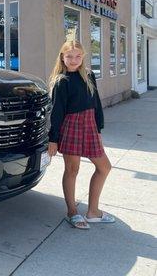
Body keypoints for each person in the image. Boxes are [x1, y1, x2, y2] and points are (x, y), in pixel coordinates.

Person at [48, 40, 115, 230]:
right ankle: (72, 212)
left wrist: (98, 129)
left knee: (104, 167)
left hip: (90, 125)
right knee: (72, 170)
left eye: (78, 56)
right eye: (69, 56)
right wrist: (53, 138)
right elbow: (57, 111)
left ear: (83, 57)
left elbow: (97, 104)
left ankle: (93, 212)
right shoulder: (61, 81)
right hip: (71, 126)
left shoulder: (88, 75)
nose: (74, 60)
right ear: (62, 57)